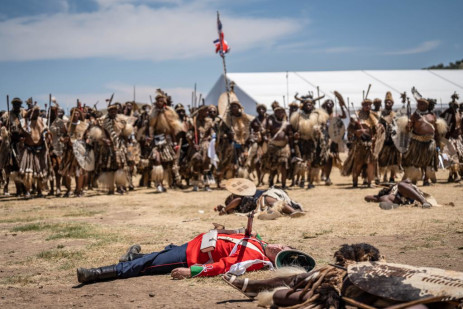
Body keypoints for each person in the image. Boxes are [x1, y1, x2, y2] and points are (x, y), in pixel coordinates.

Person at [76, 230, 292, 284]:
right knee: (162, 253)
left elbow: (224, 266)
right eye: (283, 244)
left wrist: (193, 271)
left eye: (281, 250)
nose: (279, 245)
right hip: (196, 243)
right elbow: (246, 238)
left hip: (190, 258)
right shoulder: (259, 243)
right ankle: (133, 257)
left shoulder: (256, 259)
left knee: (148, 264)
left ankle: (96, 274)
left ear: (276, 260)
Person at [214, 178, 304, 219]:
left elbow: (236, 201)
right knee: (270, 207)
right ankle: (291, 212)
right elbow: (233, 206)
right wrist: (223, 208)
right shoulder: (238, 208)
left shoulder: (240, 198)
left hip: (266, 194)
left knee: (269, 200)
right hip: (261, 203)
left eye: (229, 202)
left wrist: (224, 210)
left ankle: (293, 212)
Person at [364, 179, 434, 209]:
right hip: (400, 199)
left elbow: (409, 180)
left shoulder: (397, 186)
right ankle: (393, 205)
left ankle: (424, 201)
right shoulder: (384, 196)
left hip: (410, 193)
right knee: (384, 199)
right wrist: (378, 197)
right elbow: (366, 197)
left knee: (401, 185)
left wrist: (396, 184)